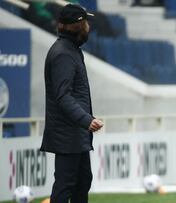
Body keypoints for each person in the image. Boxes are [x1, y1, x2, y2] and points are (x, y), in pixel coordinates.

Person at [40, 4, 104, 203]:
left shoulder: (70, 50)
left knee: (82, 181)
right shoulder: (63, 54)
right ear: (77, 26)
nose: (89, 27)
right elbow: (63, 96)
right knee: (65, 186)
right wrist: (86, 120)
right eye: (86, 23)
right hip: (68, 134)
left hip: (75, 133)